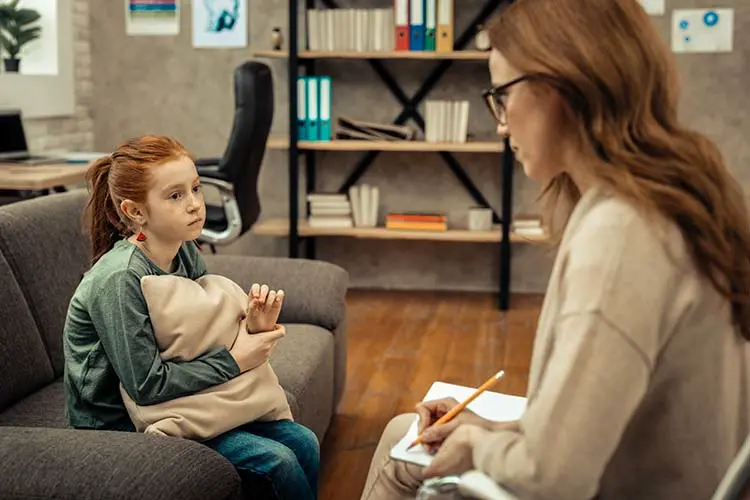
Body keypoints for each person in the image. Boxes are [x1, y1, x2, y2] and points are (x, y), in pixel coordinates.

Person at [360, 0, 750, 498]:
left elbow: (554, 477)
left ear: (561, 85)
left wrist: (480, 446)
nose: (500, 125)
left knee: (401, 451)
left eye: (502, 96)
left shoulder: (621, 236)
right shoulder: (677, 194)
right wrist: (492, 429)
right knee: (404, 433)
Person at [62, 135, 319, 500]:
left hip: (187, 399)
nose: (196, 205)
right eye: (175, 196)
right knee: (278, 460)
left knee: (303, 442)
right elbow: (146, 387)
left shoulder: (184, 251)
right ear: (136, 211)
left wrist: (252, 327)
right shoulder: (120, 279)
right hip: (123, 420)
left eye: (196, 188)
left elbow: (200, 330)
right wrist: (234, 360)